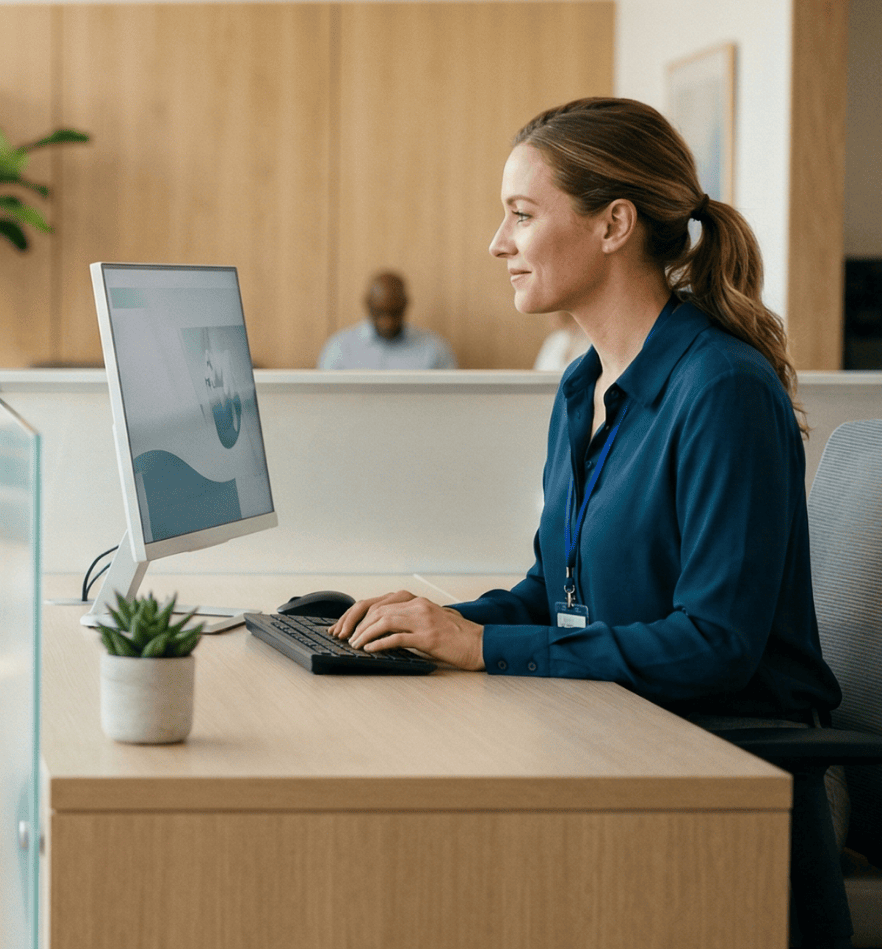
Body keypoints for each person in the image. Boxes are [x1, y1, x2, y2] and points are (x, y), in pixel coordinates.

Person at [326, 98, 848, 948]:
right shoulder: (584, 388)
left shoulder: (721, 391)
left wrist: (482, 648)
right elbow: (555, 593)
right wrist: (435, 624)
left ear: (614, 225)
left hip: (723, 791)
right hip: (618, 745)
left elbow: (716, 643)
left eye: (522, 215)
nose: (499, 243)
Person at [316, 271, 458, 369]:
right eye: (379, 313)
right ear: (368, 305)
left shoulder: (434, 350)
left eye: (395, 312)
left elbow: (452, 402)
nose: (387, 322)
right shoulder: (339, 348)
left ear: (405, 305)